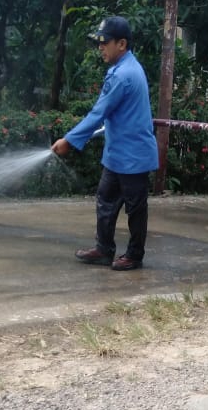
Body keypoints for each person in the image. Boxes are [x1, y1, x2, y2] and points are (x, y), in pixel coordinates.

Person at [51, 16, 158, 271]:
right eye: (99, 42)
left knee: (135, 209)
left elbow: (97, 113)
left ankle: (134, 255)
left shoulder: (123, 75)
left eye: (105, 42)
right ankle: (104, 250)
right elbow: (110, 117)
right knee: (106, 201)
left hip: (133, 155)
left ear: (121, 44)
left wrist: (69, 140)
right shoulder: (127, 68)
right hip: (118, 154)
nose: (100, 47)